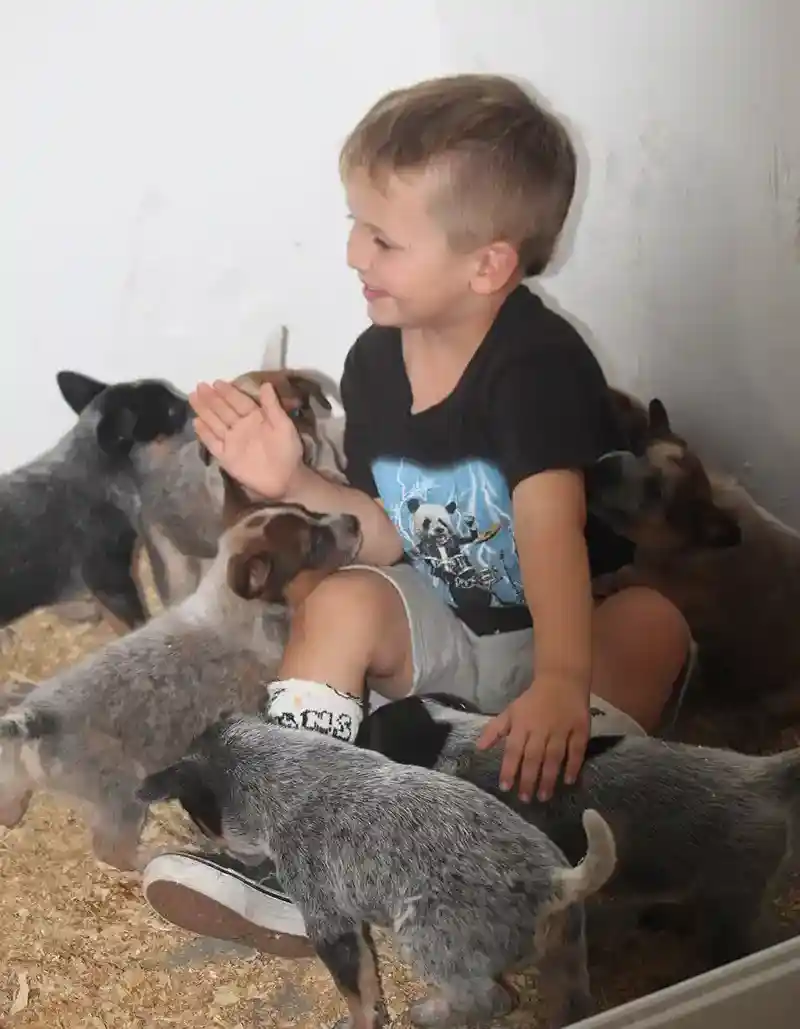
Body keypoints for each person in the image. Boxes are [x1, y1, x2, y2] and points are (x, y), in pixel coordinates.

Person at [141, 73, 692, 953]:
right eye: (353, 225)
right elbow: (395, 526)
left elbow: (550, 530)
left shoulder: (535, 367)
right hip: (449, 628)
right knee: (342, 597)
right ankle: (297, 860)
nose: (355, 254)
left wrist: (557, 678)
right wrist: (294, 480)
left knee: (657, 622)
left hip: (565, 634)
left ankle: (532, 847)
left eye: (383, 237)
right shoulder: (372, 362)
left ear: (487, 265)